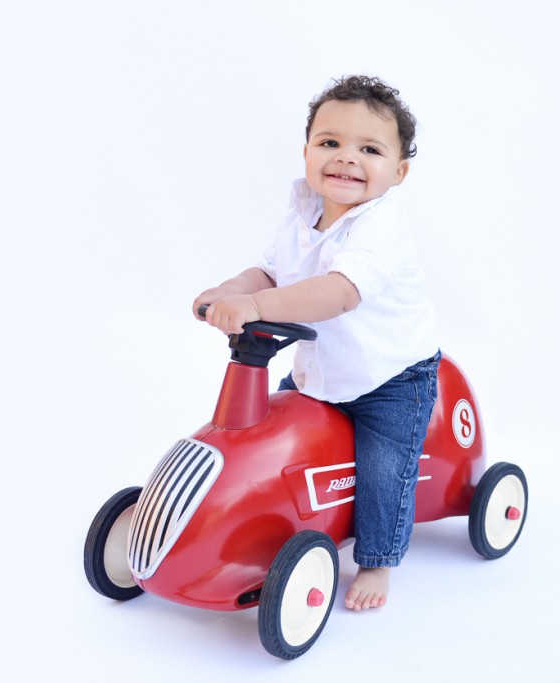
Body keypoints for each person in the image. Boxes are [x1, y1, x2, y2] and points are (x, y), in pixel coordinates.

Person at [192, 75, 439, 611]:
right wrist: (232, 291)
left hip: (388, 379)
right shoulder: (300, 214)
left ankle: (377, 558)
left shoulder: (382, 226)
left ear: (397, 173)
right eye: (330, 143)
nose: (346, 158)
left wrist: (257, 308)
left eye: (369, 149)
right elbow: (268, 271)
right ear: (306, 151)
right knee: (270, 436)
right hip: (320, 372)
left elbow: (340, 293)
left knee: (383, 466)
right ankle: (257, 526)